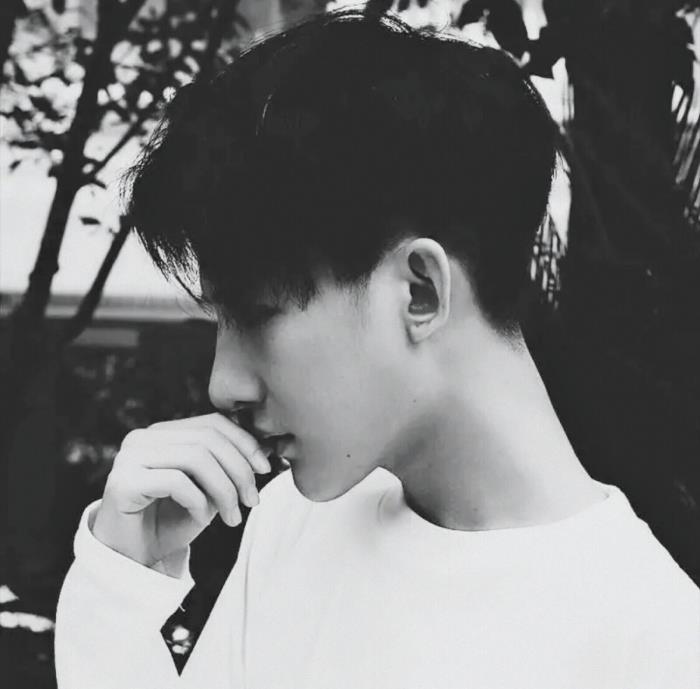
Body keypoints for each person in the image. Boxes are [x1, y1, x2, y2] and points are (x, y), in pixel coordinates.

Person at [54, 8, 700, 689]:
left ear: (420, 291)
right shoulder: (296, 524)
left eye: (258, 314)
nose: (224, 384)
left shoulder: (653, 646)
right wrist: (120, 584)